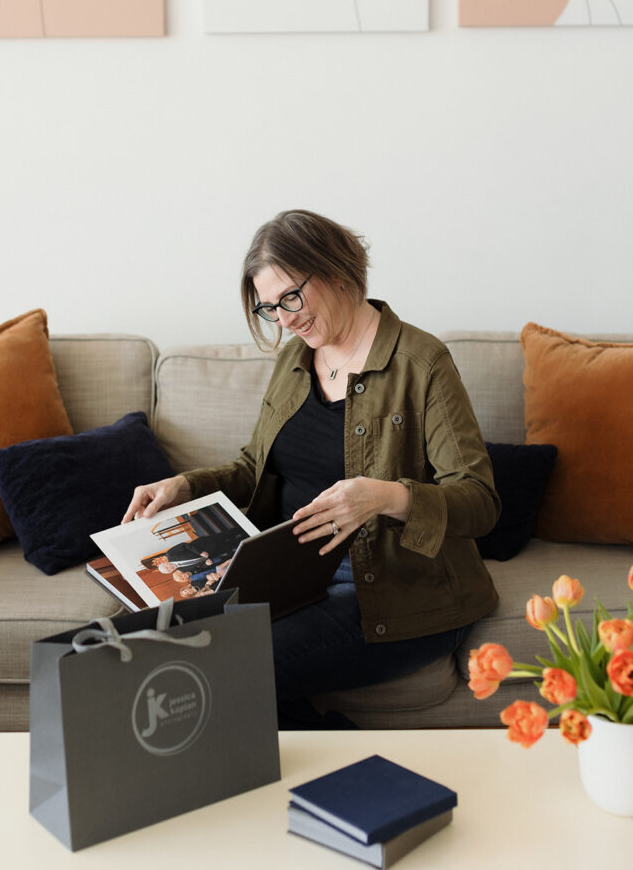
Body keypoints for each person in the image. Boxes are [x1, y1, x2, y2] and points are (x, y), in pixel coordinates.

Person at [123, 209, 500, 728]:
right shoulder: (296, 359)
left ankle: (340, 786)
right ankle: (330, 762)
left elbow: (479, 500)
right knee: (146, 641)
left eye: (292, 298)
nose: (285, 320)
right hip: (288, 574)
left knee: (229, 665)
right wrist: (184, 485)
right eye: (270, 308)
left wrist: (386, 496)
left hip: (389, 590)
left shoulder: (423, 362)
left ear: (336, 271)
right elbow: (254, 467)